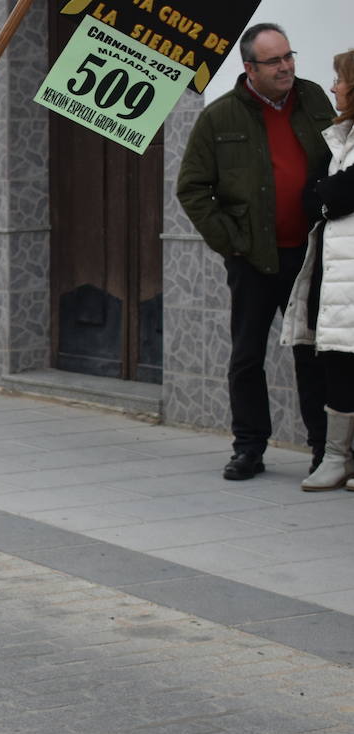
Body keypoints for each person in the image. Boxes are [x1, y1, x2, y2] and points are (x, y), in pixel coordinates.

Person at [178, 23, 336, 481]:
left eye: (289, 56)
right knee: (247, 356)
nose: (286, 66)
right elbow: (191, 187)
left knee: (311, 354)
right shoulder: (220, 116)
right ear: (250, 68)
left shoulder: (314, 101)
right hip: (252, 259)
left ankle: (324, 450)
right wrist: (232, 244)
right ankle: (249, 447)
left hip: (308, 257)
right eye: (275, 61)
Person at [282, 50, 354, 491]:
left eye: (339, 79)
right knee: (337, 362)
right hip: (337, 273)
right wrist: (328, 196)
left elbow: (339, 195)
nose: (332, 88)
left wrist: (328, 196)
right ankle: (336, 458)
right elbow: (317, 197)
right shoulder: (340, 137)